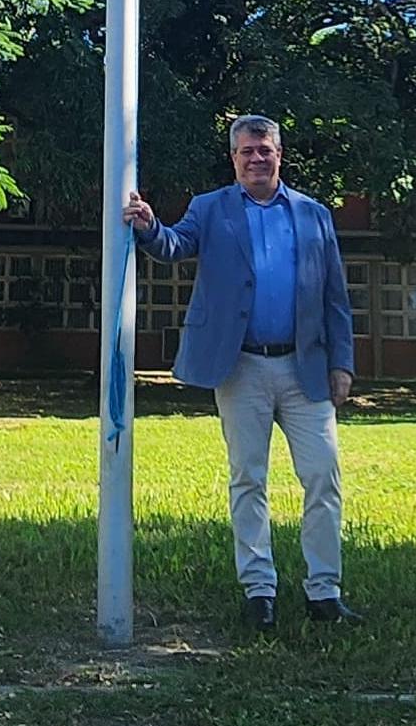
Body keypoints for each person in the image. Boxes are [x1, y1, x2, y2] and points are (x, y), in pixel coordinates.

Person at [125, 113, 358, 631]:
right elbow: (174, 245)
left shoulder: (313, 214)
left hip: (307, 368)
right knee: (248, 478)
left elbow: (335, 297)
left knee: (323, 476)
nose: (257, 158)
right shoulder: (210, 209)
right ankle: (260, 590)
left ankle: (324, 591)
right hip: (242, 367)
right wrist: (147, 226)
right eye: (247, 151)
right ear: (233, 159)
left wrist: (343, 362)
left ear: (279, 154)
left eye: (265, 149)